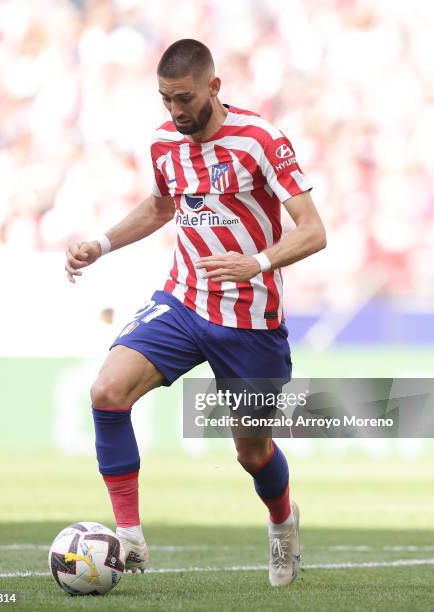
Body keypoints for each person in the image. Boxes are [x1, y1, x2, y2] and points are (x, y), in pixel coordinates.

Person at [64, 39, 326, 588]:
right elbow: (161, 206)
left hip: (250, 321)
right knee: (107, 392)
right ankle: (129, 537)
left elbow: (312, 230)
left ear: (214, 87)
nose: (176, 112)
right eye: (166, 100)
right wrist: (102, 244)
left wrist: (256, 262)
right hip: (182, 301)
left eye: (184, 98)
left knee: (252, 453)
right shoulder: (164, 143)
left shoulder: (260, 140)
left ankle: (283, 522)